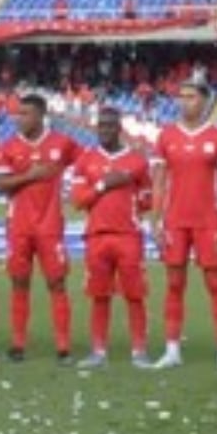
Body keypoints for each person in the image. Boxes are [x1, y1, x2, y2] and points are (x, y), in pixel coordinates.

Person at [150, 81, 217, 371]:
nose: (184, 102)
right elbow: (160, 181)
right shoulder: (167, 136)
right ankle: (172, 350)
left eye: (191, 97)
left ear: (204, 101)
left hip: (208, 220)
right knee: (174, 284)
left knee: (216, 284)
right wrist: (155, 220)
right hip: (175, 220)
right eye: (181, 96)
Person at [0, 94, 80, 364]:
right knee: (19, 282)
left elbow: (86, 163)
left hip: (50, 225)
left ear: (42, 115)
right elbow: (0, 185)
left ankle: (63, 346)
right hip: (18, 225)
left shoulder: (62, 144)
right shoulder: (9, 147)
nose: (19, 118)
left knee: (56, 283)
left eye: (26, 113)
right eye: (18, 114)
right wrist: (30, 176)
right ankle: (18, 344)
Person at [70, 107, 154, 369]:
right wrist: (103, 185)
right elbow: (78, 201)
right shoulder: (86, 160)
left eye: (109, 126)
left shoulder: (138, 161)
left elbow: (148, 198)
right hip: (96, 236)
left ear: (119, 129)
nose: (104, 131)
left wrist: (129, 203)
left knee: (135, 295)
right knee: (99, 295)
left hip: (128, 235)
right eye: (100, 126)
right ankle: (98, 352)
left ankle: (139, 352)